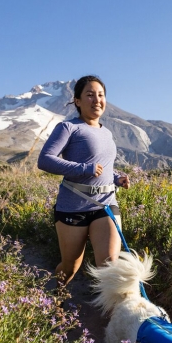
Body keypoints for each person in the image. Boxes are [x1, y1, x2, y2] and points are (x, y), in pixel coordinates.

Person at [37, 75, 130, 285]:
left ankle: (113, 316)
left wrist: (117, 178)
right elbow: (45, 160)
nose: (97, 100)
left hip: (105, 204)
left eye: (101, 95)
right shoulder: (68, 128)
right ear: (77, 101)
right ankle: (53, 300)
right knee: (70, 267)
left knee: (109, 267)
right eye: (90, 95)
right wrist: (83, 169)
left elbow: (101, 165)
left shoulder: (106, 132)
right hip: (73, 207)